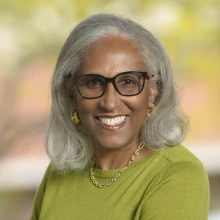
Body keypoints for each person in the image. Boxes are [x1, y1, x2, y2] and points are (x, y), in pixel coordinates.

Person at [30, 13, 209, 220]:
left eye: (128, 82)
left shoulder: (177, 174)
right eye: (93, 82)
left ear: (153, 91)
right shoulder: (61, 170)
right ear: (72, 91)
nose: (110, 103)